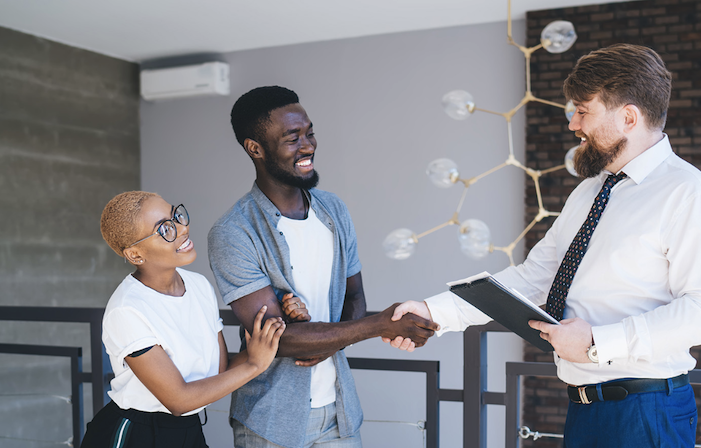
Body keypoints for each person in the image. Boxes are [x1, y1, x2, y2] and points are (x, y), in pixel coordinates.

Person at [389, 43, 701, 448]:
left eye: (583, 111)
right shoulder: (589, 192)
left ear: (628, 117)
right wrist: (434, 311)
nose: (573, 124)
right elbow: (536, 276)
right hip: (583, 407)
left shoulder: (690, 194)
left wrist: (595, 343)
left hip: (645, 413)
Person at [207, 86, 438, 448]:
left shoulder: (334, 211)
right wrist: (379, 324)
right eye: (292, 137)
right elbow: (278, 340)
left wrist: (327, 341)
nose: (308, 145)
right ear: (256, 148)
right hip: (270, 421)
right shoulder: (233, 232)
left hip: (340, 413)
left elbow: (355, 295)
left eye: (310, 132)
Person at [81, 191, 285, 448]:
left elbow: (218, 372)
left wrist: (273, 332)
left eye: (176, 216)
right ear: (135, 255)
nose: (182, 228)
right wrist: (254, 366)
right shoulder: (127, 310)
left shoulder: (198, 285)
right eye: (164, 229)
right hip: (137, 435)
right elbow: (179, 400)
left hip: (189, 429)